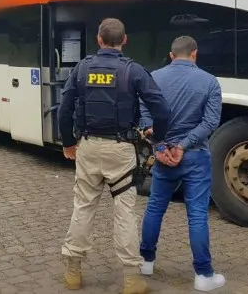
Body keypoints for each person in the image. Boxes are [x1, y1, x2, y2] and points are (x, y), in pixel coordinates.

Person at [58, 18, 170, 294]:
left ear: (98, 40)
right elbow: (161, 109)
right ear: (125, 40)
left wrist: (69, 143)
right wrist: (158, 137)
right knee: (125, 212)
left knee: (83, 206)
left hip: (88, 147)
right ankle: (131, 279)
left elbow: (65, 108)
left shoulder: (82, 68)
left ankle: (73, 271)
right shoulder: (133, 71)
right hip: (121, 151)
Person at [137, 35, 226, 292]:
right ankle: (203, 275)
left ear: (171, 54)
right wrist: (183, 145)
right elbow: (210, 122)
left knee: (155, 208)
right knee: (197, 214)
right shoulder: (209, 82)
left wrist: (161, 146)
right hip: (195, 155)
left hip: (164, 156)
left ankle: (146, 261)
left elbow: (144, 114)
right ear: (195, 54)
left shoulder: (154, 78)